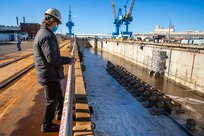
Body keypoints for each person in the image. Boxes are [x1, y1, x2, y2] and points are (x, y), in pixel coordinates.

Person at [33, 8, 72, 132]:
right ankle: (47, 125)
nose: (57, 26)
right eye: (57, 23)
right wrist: (68, 60)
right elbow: (52, 59)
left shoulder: (43, 33)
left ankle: (60, 114)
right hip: (49, 74)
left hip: (50, 73)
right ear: (52, 21)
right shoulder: (47, 35)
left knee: (58, 95)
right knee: (51, 100)